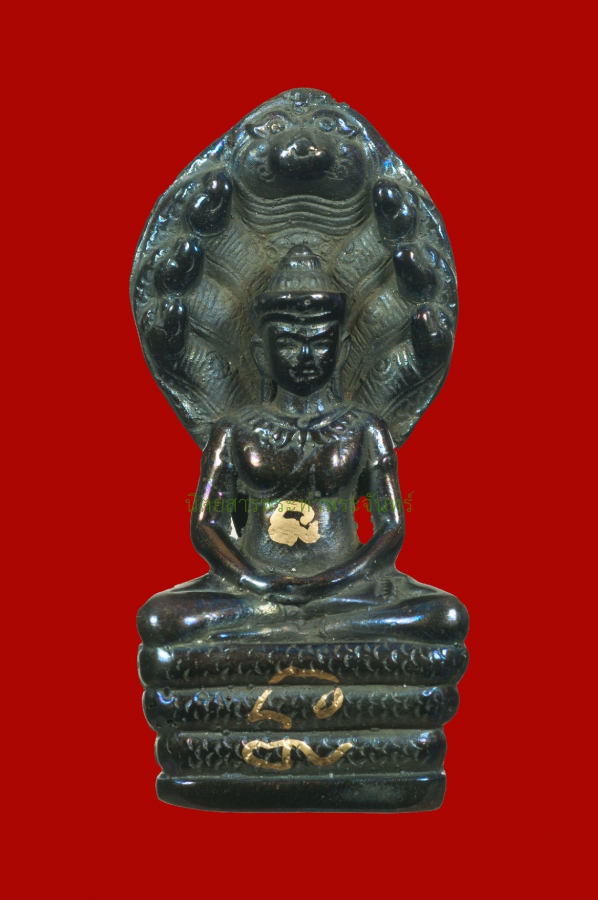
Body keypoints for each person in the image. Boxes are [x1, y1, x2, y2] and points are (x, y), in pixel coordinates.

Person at [138, 247, 467, 647]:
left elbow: (391, 526)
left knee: (444, 616)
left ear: (343, 350)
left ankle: (283, 637)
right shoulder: (234, 430)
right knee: (161, 619)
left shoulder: (365, 428)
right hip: (255, 590)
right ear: (261, 354)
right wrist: (256, 581)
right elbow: (207, 525)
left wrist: (339, 578)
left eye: (321, 342)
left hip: (347, 589)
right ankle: (320, 636)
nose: (306, 356)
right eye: (289, 343)